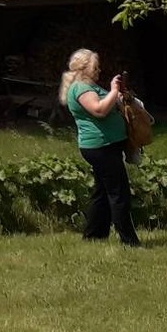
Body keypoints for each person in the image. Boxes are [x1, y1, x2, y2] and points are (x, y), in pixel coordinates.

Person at [62, 48, 139, 246]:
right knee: (119, 193)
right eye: (95, 67)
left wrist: (119, 95)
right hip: (100, 147)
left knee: (103, 192)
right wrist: (113, 90)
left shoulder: (88, 86)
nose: (98, 70)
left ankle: (95, 234)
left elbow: (107, 104)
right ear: (84, 68)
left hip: (106, 146)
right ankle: (129, 241)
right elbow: (99, 110)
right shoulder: (81, 88)